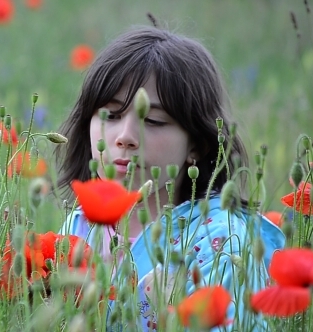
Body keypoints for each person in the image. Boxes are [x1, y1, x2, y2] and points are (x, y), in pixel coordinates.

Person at [54, 26, 285, 331]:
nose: (125, 137)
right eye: (111, 115)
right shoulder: (79, 226)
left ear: (196, 145)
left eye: (153, 120)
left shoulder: (220, 243)